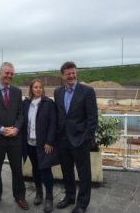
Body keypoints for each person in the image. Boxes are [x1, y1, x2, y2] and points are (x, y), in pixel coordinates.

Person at [0, 62, 29, 210]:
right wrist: (1, 129)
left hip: (15, 138)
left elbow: (21, 114)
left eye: (11, 74)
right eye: (6, 73)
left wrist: (16, 128)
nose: (9, 76)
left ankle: (20, 196)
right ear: (0, 73)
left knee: (17, 169)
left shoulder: (17, 92)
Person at [54, 62, 98, 213]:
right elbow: (60, 116)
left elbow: (93, 119)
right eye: (68, 74)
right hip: (63, 140)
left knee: (84, 173)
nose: (71, 76)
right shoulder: (57, 92)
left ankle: (82, 203)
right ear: (63, 76)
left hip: (80, 140)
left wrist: (86, 139)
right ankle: (70, 197)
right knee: (67, 171)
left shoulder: (87, 91)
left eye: (73, 73)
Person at [22, 79, 58, 213]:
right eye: (35, 87)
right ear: (31, 89)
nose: (37, 89)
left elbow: (53, 123)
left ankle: (49, 198)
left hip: (43, 144)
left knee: (46, 170)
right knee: (35, 169)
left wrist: (49, 141)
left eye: (40, 87)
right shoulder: (26, 103)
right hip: (29, 143)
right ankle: (39, 193)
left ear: (43, 89)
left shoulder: (48, 103)